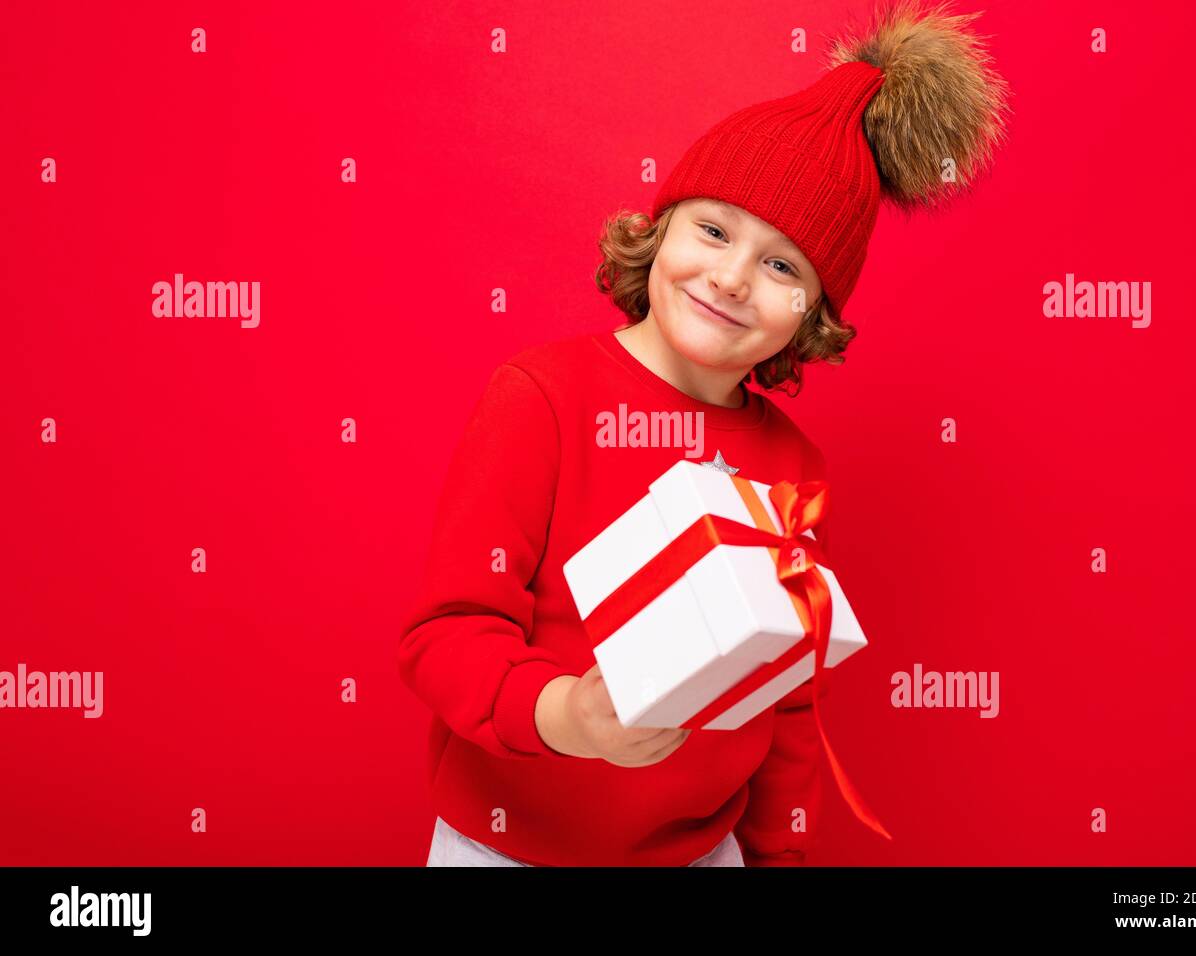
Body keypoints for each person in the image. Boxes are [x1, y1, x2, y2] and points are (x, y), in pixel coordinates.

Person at [399, 0, 1010, 867]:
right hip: (505, 847)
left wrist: (778, 855)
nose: (729, 278)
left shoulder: (794, 470)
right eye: (714, 230)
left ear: (812, 314)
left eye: (781, 265)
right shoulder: (539, 398)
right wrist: (566, 714)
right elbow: (446, 634)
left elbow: (788, 707)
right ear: (662, 228)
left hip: (699, 852)